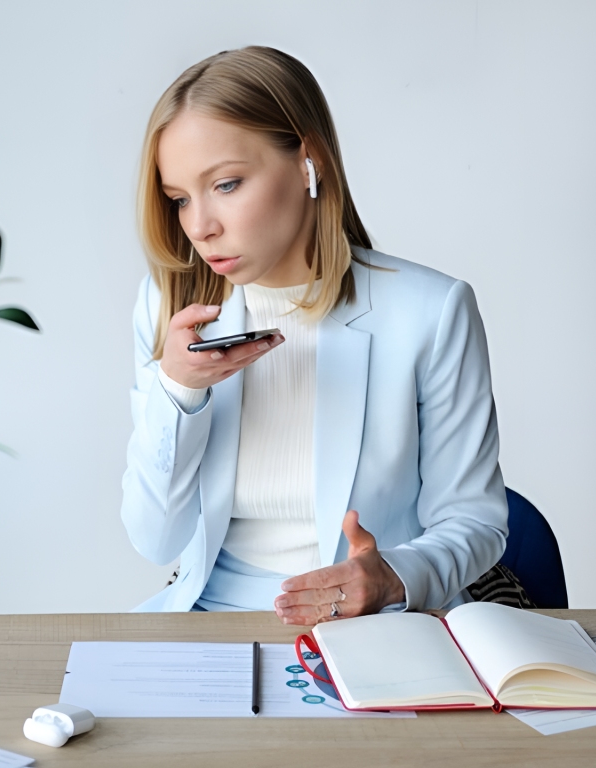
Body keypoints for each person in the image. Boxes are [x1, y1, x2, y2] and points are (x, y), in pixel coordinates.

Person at [121, 46, 508, 625]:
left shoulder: (430, 310)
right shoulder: (172, 307)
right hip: (213, 617)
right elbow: (155, 540)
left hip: (376, 622)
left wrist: (392, 577)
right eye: (179, 199)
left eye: (226, 184)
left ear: (309, 160)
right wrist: (178, 391)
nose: (200, 226)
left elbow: (476, 522)